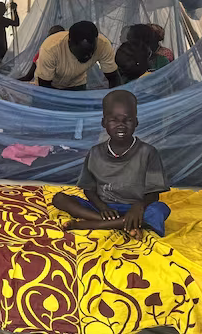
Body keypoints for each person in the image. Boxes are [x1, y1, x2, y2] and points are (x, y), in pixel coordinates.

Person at [52, 90, 171, 240]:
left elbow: (154, 193)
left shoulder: (148, 152)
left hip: (135, 208)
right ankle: (122, 223)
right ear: (104, 122)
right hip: (103, 208)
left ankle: (90, 223)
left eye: (127, 120)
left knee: (159, 210)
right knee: (59, 198)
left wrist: (138, 206)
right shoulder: (95, 152)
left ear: (136, 122)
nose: (121, 125)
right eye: (114, 120)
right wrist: (102, 207)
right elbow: (89, 189)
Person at [36, 21, 121, 90]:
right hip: (49, 85)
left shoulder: (103, 45)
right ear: (69, 43)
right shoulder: (51, 48)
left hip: (77, 84)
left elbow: (113, 77)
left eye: (91, 51)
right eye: (83, 53)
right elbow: (44, 86)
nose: (88, 56)